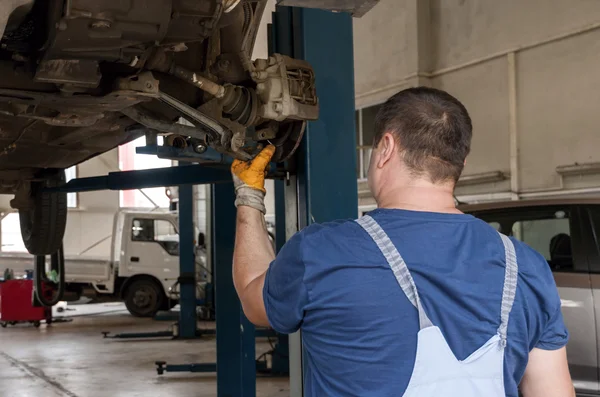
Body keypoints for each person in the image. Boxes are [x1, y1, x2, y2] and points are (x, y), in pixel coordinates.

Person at [230, 87, 574, 397]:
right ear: (461, 164)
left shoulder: (322, 251)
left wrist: (249, 195)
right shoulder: (527, 265)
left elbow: (252, 297)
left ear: (385, 148)